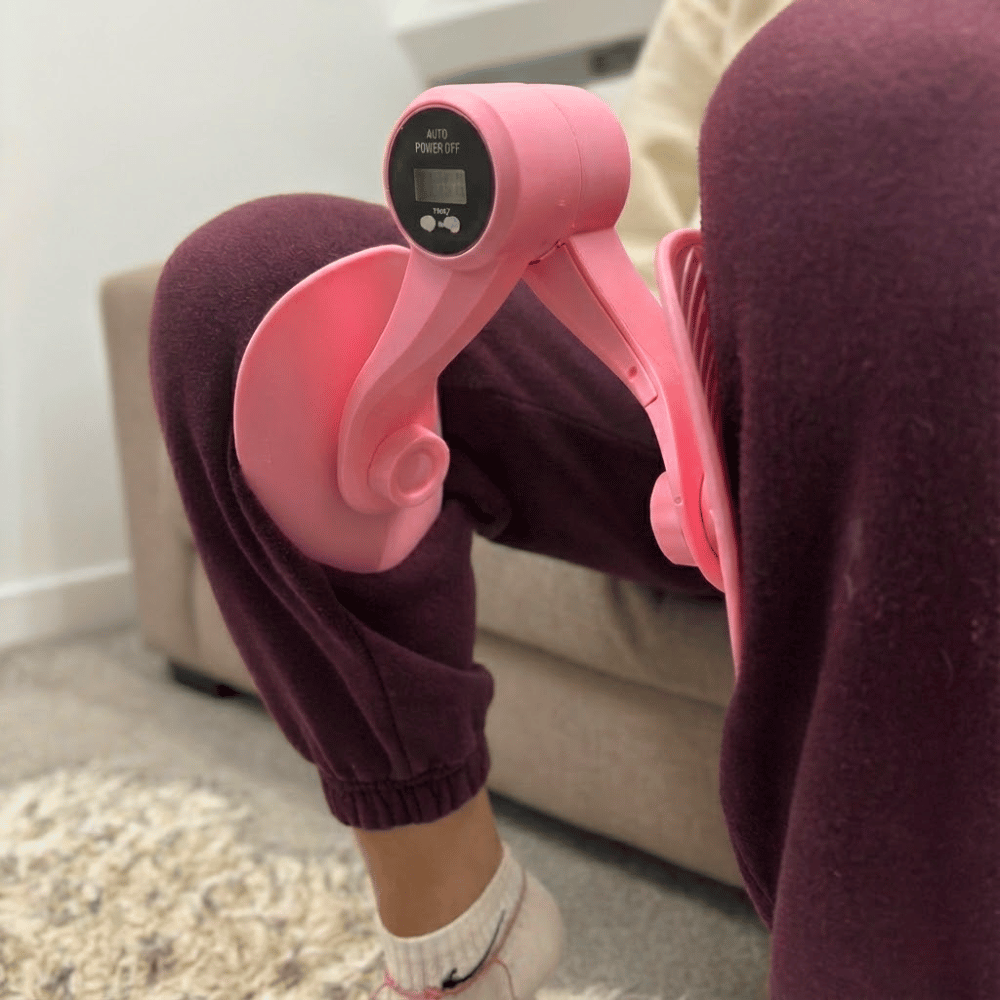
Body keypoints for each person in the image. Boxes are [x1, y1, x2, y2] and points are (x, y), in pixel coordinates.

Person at [148, 0, 1000, 996]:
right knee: (254, 288)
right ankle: (464, 943)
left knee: (879, 72)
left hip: (937, 399)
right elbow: (632, 225)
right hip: (713, 381)